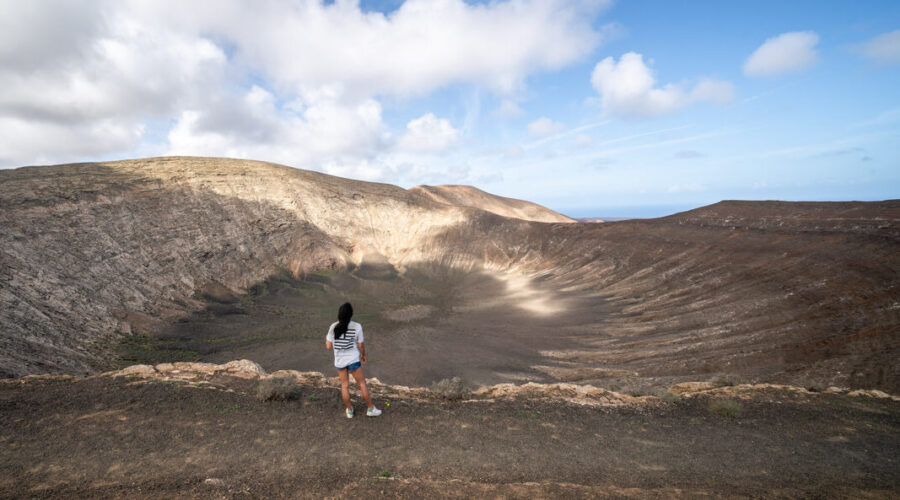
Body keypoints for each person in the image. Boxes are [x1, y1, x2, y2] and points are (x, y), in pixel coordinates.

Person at [325, 302, 382, 418]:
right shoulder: (357, 326)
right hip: (353, 360)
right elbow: (360, 345)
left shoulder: (333, 327)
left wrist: (331, 339)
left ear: (339, 315)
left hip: (340, 361)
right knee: (362, 384)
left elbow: (328, 346)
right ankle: (371, 409)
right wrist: (363, 355)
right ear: (351, 315)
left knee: (344, 385)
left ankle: (350, 411)